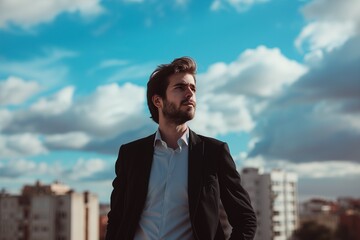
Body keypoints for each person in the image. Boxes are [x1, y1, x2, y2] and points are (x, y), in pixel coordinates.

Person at [106, 57, 257, 240]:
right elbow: (116, 220)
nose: (190, 93)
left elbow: (245, 220)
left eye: (193, 88)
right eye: (180, 87)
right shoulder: (131, 155)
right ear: (158, 101)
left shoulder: (213, 152)